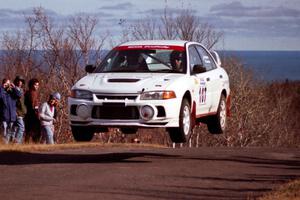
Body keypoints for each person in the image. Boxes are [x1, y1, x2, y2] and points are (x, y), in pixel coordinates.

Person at [0, 78, 21, 144]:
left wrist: (14, 87)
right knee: (4, 131)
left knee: (9, 132)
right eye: (6, 84)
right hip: (4, 116)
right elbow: (0, 97)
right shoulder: (2, 92)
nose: (7, 85)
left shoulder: (12, 93)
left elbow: (19, 95)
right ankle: (3, 144)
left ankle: (6, 144)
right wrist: (2, 87)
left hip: (12, 116)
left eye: (8, 84)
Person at [24, 78, 41, 143]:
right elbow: (33, 105)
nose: (37, 86)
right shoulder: (31, 93)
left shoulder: (30, 92)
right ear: (31, 85)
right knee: (35, 132)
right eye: (35, 85)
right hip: (32, 115)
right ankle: (34, 144)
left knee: (29, 131)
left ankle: (28, 144)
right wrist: (36, 114)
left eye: (37, 85)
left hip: (29, 114)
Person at [13, 75, 27, 144]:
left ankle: (15, 143)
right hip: (17, 112)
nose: (20, 82)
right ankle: (17, 143)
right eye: (18, 81)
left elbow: (23, 102)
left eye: (21, 81)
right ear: (16, 81)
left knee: (15, 129)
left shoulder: (22, 90)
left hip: (22, 112)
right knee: (21, 127)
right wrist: (15, 111)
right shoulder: (13, 90)